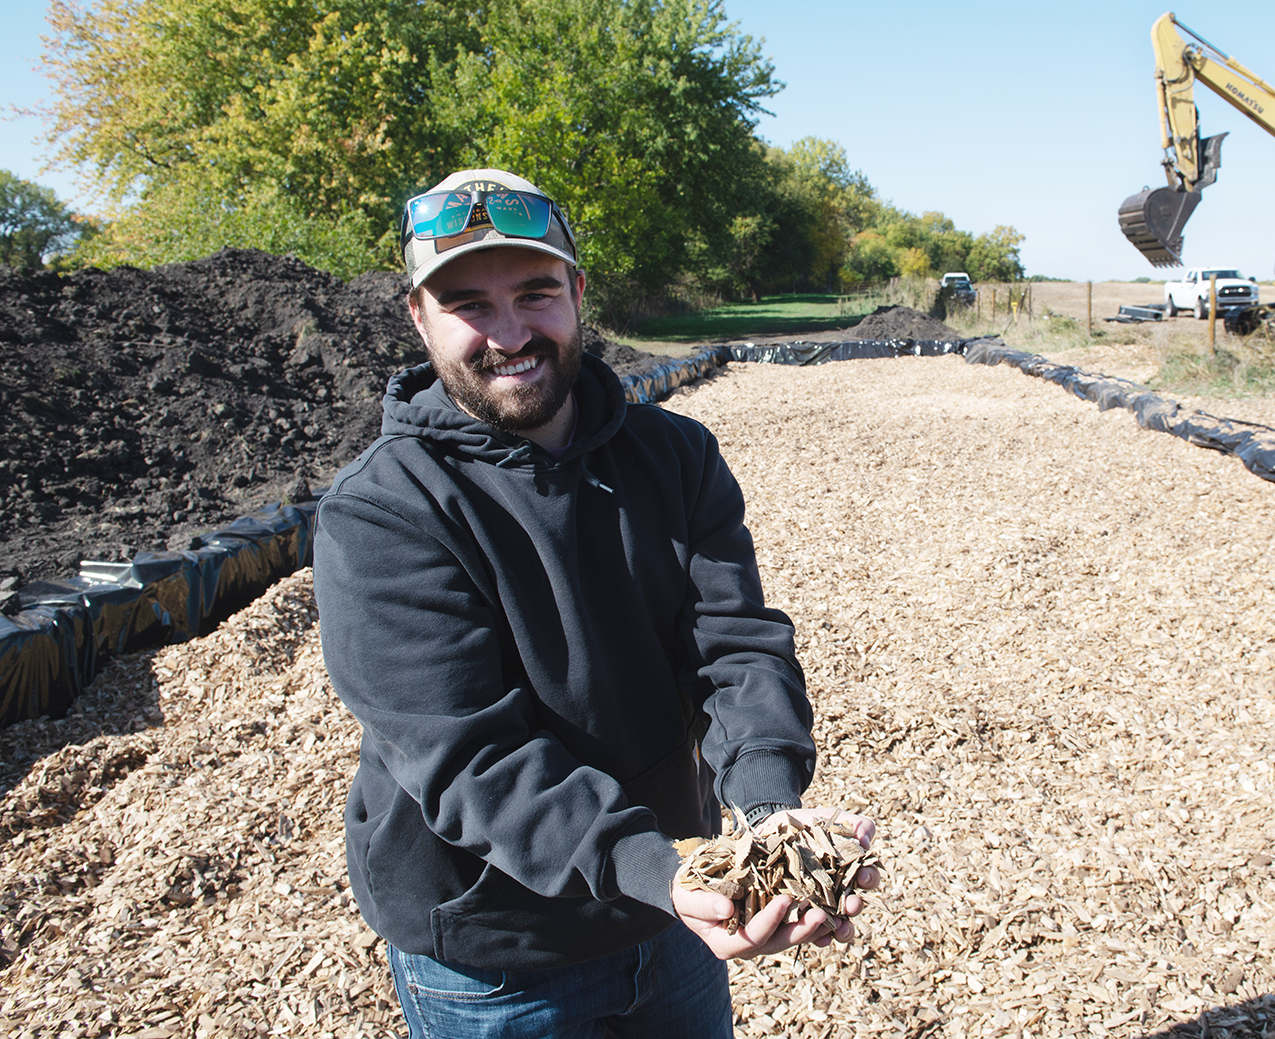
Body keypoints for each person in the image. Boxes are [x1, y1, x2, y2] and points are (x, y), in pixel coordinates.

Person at [312, 168, 879, 1039]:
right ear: (418, 318)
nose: (509, 334)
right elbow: (469, 754)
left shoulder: (677, 456)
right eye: (469, 304)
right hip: (499, 956)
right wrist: (657, 865)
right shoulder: (382, 511)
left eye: (535, 292)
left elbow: (737, 646)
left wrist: (770, 821)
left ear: (577, 294)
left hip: (671, 911)